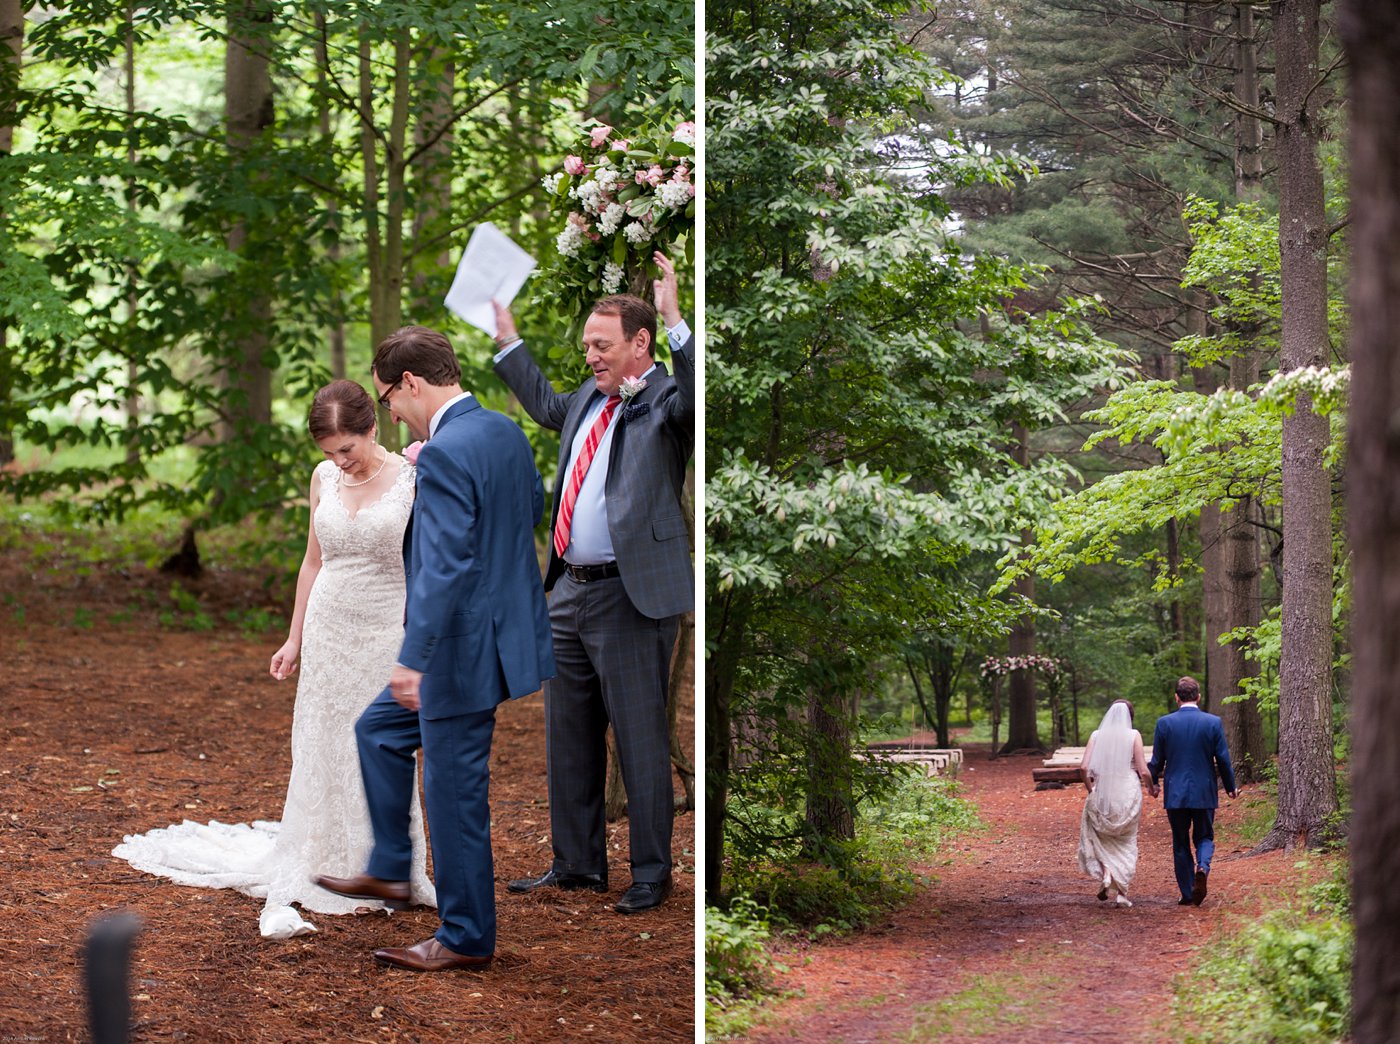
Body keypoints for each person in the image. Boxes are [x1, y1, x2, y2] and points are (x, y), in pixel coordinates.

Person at [112, 380, 434, 939]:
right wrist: (294, 639)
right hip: (329, 628)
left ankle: (385, 868)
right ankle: (322, 857)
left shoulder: (412, 478)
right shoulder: (323, 479)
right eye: (330, 453)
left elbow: (431, 563)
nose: (340, 462)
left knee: (380, 745)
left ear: (373, 429)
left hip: (387, 628)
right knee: (323, 742)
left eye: (347, 450)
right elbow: (313, 562)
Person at [314, 326, 554, 972]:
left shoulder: (445, 453)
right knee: (379, 732)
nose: (389, 411)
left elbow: (444, 564)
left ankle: (465, 935)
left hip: (456, 650)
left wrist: (413, 656)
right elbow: (530, 508)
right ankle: (392, 868)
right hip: (497, 637)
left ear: (412, 384)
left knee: (452, 795)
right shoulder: (504, 431)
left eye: (389, 397)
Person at [492, 250, 694, 914]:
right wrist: (508, 340)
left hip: (630, 595)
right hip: (569, 590)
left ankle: (650, 873)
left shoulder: (665, 396)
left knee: (638, 737)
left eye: (602, 346)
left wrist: (676, 321)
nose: (590, 357)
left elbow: (697, 399)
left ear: (639, 343)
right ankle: (577, 863)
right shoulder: (584, 398)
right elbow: (547, 403)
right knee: (568, 734)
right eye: (586, 346)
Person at [1148, 676, 1239, 907]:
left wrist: (1154, 783)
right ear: (1198, 697)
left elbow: (1157, 760)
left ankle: (1188, 893)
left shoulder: (1164, 723)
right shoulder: (1212, 722)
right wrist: (1230, 787)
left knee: (1180, 842)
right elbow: (1223, 759)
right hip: (1204, 791)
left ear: (1176, 697)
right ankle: (1203, 867)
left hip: (1176, 793)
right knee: (1205, 836)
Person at [1077, 700, 1152, 908]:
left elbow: (1083, 767)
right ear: (1130, 717)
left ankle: (1107, 873)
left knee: (1101, 837)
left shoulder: (1096, 735)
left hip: (1103, 790)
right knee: (1126, 840)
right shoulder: (1133, 735)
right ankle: (1121, 892)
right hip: (1127, 791)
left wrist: (1090, 789)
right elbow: (1143, 770)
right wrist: (1151, 787)